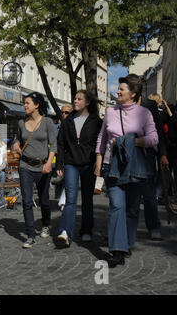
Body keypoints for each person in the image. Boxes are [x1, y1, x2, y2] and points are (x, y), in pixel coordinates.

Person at [95, 74, 158, 268]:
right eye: (119, 88)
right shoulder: (110, 112)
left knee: (131, 209)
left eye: (122, 89)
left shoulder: (144, 114)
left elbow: (154, 138)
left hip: (134, 166)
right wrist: (98, 160)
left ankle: (127, 243)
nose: (118, 91)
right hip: (110, 165)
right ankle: (117, 250)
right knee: (117, 206)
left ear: (133, 94)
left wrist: (132, 141)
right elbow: (102, 138)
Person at [56, 90, 102, 247]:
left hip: (89, 164)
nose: (75, 101)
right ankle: (65, 232)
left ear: (87, 102)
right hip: (71, 163)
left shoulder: (95, 120)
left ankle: (86, 230)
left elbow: (99, 142)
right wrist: (59, 164)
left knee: (87, 199)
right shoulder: (68, 120)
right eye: (75, 98)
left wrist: (98, 162)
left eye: (79, 99)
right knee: (70, 198)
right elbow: (61, 143)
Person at [12, 92, 57, 248]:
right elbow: (17, 139)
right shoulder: (20, 123)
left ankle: (46, 224)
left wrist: (49, 163)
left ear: (36, 105)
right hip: (25, 166)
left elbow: (54, 145)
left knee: (44, 200)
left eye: (27, 103)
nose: (25, 105)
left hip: (43, 166)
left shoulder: (47, 122)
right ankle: (30, 235)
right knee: (26, 201)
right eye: (24, 103)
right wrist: (15, 144)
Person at [138, 95, 169, 240]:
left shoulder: (149, 105)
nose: (119, 92)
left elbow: (159, 132)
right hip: (127, 156)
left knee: (149, 195)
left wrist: (162, 154)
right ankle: (125, 229)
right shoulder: (121, 106)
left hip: (147, 154)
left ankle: (154, 227)